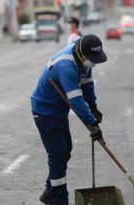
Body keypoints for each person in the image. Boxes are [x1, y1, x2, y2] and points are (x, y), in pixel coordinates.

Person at [31, 34, 106, 205]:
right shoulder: (66, 65)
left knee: (66, 149)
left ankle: (49, 192)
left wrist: (93, 106)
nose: (93, 63)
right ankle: (59, 199)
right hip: (45, 111)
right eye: (92, 59)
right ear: (83, 55)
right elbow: (75, 99)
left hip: (59, 110)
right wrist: (91, 123)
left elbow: (87, 83)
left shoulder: (85, 58)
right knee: (58, 155)